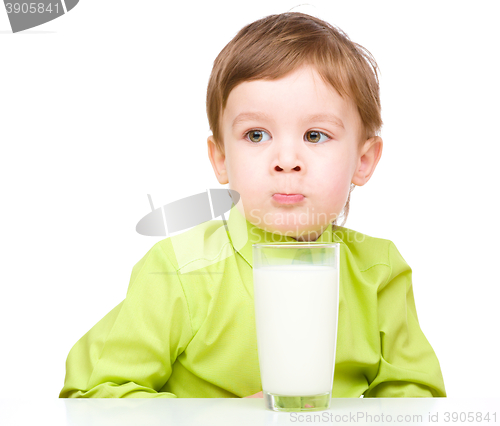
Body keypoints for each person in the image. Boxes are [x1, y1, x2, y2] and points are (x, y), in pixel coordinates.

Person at [59, 11, 446, 399]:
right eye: (256, 134)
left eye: (315, 134)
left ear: (363, 161)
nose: (287, 158)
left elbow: (415, 397)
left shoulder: (379, 274)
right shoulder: (181, 270)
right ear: (221, 158)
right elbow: (95, 396)